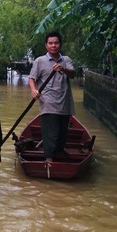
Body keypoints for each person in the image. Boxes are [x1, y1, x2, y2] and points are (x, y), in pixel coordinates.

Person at [28, 31, 76, 164]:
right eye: (51, 43)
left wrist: (63, 69)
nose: (53, 45)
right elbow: (32, 78)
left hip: (65, 102)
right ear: (46, 45)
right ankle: (48, 158)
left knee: (62, 133)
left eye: (56, 43)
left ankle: (59, 153)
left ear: (60, 45)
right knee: (51, 133)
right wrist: (34, 90)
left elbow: (72, 74)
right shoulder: (40, 61)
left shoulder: (66, 60)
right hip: (48, 101)